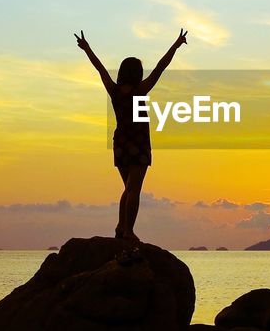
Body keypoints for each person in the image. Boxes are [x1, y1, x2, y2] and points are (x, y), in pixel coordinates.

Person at [75, 28, 188, 241]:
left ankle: (121, 227)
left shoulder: (114, 91)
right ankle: (128, 231)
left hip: (121, 143)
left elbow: (100, 69)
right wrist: (176, 45)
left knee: (128, 189)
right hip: (138, 143)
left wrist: (87, 48)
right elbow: (160, 67)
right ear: (137, 74)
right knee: (133, 190)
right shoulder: (140, 90)